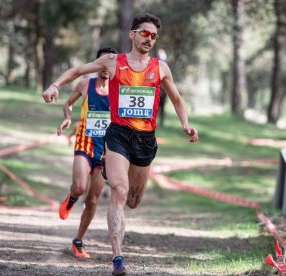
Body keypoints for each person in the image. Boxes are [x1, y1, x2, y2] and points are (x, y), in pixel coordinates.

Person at [42, 13, 198, 276]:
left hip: (145, 140)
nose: (149, 39)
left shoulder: (160, 68)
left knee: (134, 200)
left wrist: (185, 124)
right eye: (144, 33)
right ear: (132, 34)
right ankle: (118, 259)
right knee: (120, 191)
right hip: (118, 136)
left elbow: (177, 100)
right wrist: (55, 84)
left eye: (153, 36)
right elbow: (79, 70)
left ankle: (118, 197)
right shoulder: (114, 62)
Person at [56, 47, 118, 259]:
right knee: (80, 187)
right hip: (84, 142)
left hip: (106, 150)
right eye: (101, 64)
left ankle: (78, 241)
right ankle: (71, 198)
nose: (106, 69)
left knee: (93, 200)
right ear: (97, 64)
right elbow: (68, 103)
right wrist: (67, 118)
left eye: (110, 65)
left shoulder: (119, 89)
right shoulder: (85, 84)